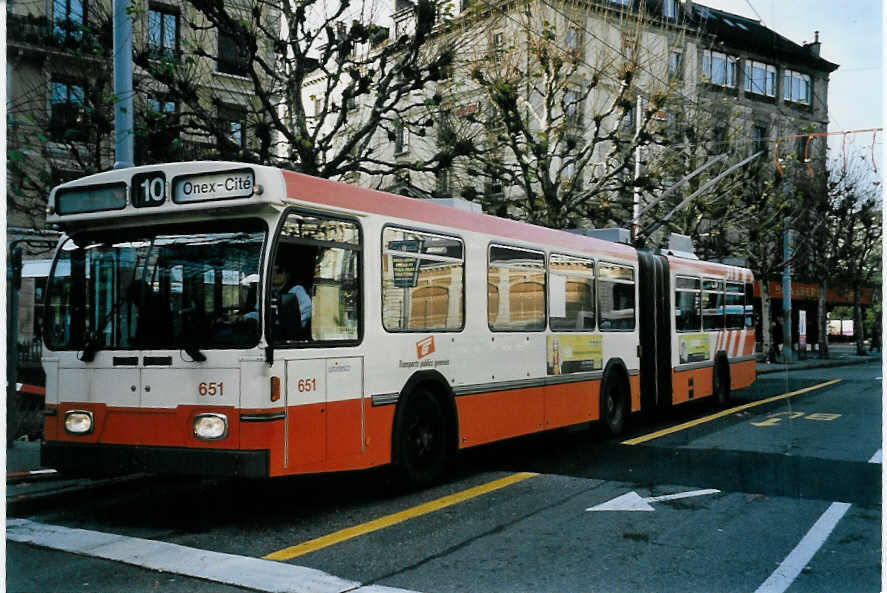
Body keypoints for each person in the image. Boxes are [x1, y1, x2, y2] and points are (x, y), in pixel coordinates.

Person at [271, 263, 312, 340]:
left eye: (279, 271)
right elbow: (258, 312)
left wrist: (291, 324)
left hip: (288, 336)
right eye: (272, 271)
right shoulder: (266, 292)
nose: (275, 274)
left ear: (287, 275)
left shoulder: (296, 290)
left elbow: (307, 310)